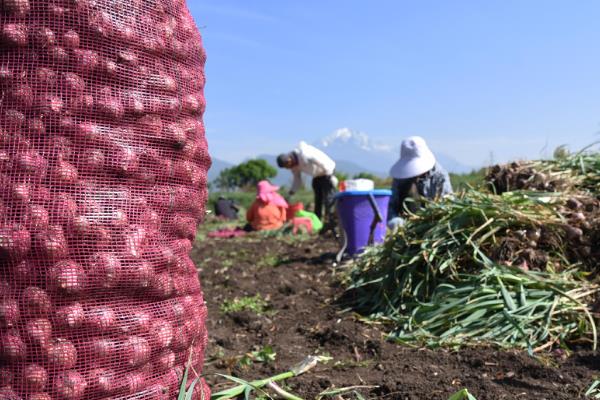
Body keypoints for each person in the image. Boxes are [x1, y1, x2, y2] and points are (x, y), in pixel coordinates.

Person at [387, 136, 453, 230]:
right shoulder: (401, 178)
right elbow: (391, 206)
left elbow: (448, 204)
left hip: (434, 225)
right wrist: (393, 219)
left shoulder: (440, 176)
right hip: (407, 225)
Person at [276, 141, 337, 223]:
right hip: (317, 175)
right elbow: (297, 179)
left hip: (327, 171)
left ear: (289, 160)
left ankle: (330, 220)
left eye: (287, 165)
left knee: (328, 197)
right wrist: (292, 191)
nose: (288, 168)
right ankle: (317, 220)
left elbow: (321, 161)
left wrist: (329, 175)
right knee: (318, 198)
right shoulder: (294, 165)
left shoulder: (305, 154)